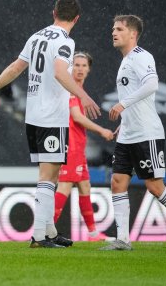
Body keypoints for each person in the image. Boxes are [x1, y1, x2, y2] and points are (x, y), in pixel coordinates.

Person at [0, 0, 100, 248]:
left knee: (53, 173)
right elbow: (60, 73)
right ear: (77, 19)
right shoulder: (65, 42)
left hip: (34, 115)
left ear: (53, 12)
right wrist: (83, 95)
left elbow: (16, 67)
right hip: (51, 117)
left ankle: (49, 230)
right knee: (48, 177)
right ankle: (39, 236)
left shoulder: (37, 36)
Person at [102, 15, 166, 251]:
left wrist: (123, 105)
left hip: (147, 133)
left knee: (155, 187)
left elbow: (152, 84)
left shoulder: (141, 56)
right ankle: (123, 239)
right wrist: (124, 121)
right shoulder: (125, 61)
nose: (114, 32)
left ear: (133, 34)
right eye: (113, 28)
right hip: (128, 134)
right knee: (117, 182)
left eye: (119, 29)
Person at [53, 51, 114, 241]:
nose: (79, 69)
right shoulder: (70, 89)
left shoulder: (80, 89)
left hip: (78, 146)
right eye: (76, 65)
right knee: (64, 186)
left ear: (89, 69)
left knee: (84, 185)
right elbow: (77, 117)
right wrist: (102, 130)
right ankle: (44, 231)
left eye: (83, 65)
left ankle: (93, 233)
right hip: (69, 145)